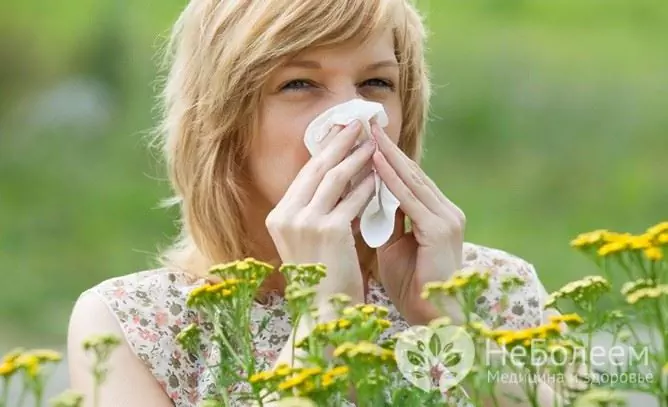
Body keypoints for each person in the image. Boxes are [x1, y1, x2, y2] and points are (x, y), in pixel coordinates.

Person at [67, 0, 564, 406]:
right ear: (224, 124)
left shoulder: (495, 289)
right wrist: (323, 324)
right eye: (299, 84)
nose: (356, 120)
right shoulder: (132, 324)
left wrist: (449, 327)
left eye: (376, 83)